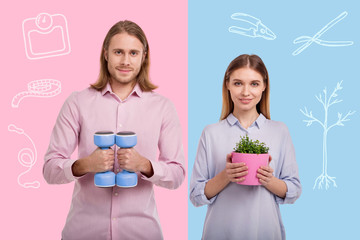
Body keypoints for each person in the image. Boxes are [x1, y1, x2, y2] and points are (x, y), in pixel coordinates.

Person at [43, 20, 185, 240]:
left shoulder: (163, 107)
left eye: (133, 53)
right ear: (106, 54)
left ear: (144, 56)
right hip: (83, 232)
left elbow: (177, 174)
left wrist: (145, 166)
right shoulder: (78, 102)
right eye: (118, 52)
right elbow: (50, 169)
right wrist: (84, 165)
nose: (126, 61)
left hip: (142, 233)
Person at [189, 54, 301, 240]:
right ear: (227, 85)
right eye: (238, 83)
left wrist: (268, 180)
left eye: (254, 84)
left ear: (264, 86)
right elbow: (195, 195)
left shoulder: (280, 131)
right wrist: (227, 175)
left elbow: (294, 189)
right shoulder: (211, 133)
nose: (246, 92)